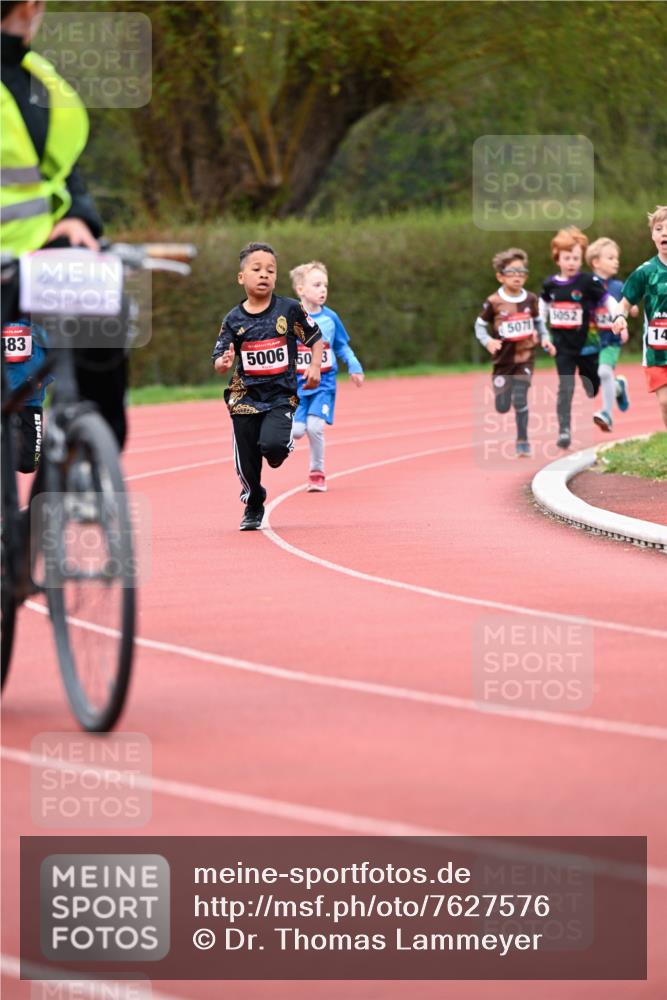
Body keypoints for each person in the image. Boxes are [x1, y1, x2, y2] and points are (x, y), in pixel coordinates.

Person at [1, 0, 128, 449]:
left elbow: (60, 168)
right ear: (30, 7)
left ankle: (92, 448)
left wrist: (77, 215)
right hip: (16, 254)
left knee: (103, 300)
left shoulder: (38, 79)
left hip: (35, 251)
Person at [212, 242, 324, 531]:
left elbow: (315, 338)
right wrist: (224, 361)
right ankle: (254, 502)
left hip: (279, 396)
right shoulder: (233, 319)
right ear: (241, 277)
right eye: (257, 269)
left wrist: (314, 366)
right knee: (247, 460)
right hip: (244, 398)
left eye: (270, 270)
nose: (264, 274)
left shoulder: (289, 309)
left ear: (275, 277)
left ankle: (281, 443)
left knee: (273, 449)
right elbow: (219, 360)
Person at [289, 260, 364, 491]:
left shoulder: (331, 318)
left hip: (324, 384)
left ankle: (317, 472)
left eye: (325, 285)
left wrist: (354, 365)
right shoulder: (290, 319)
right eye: (317, 285)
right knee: (296, 432)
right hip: (297, 385)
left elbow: (341, 346)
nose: (323, 290)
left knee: (314, 428)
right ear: (301, 289)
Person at [474, 248, 553, 458]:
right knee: (502, 406)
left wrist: (545, 338)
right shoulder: (493, 301)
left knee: (520, 398)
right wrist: (488, 341)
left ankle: (522, 441)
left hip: (525, 358)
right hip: (502, 361)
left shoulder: (531, 299)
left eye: (522, 272)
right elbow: (479, 325)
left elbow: (539, 323)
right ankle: (504, 402)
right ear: (500, 276)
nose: (517, 276)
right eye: (512, 272)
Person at [540, 226, 609, 449]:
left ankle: (613, 386)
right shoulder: (550, 285)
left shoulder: (588, 282)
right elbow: (542, 307)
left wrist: (618, 316)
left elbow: (607, 300)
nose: (571, 263)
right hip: (562, 346)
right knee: (565, 385)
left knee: (592, 387)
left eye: (576, 258)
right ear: (557, 258)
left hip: (586, 345)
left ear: (581, 259)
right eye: (567, 258)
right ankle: (564, 430)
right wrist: (542, 333)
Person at [612, 206, 667, 429]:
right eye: (659, 229)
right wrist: (619, 317)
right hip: (657, 351)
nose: (664, 233)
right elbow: (624, 304)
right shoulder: (645, 272)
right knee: (665, 402)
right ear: (652, 235)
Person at [585, 237, 631, 432]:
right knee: (597, 379)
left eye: (617, 258)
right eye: (611, 258)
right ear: (596, 262)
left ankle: (606, 414)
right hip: (590, 341)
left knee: (604, 372)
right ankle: (618, 387)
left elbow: (628, 306)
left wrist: (629, 313)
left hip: (611, 340)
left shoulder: (618, 287)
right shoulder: (585, 285)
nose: (616, 262)